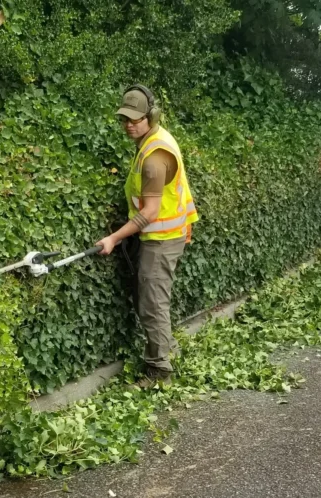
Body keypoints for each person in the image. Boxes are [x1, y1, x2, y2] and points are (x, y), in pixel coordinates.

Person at [96, 85, 199, 388]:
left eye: (135, 120)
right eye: (124, 119)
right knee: (153, 299)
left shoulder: (154, 156)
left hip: (162, 238)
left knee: (153, 303)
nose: (129, 125)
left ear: (151, 116)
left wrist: (113, 238)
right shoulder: (152, 140)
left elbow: (151, 212)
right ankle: (163, 352)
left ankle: (159, 372)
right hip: (162, 235)